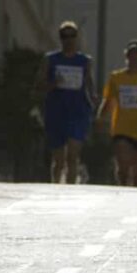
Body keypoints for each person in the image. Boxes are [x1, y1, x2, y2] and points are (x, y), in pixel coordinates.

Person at [38, 21, 96, 184]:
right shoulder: (50, 60)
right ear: (60, 38)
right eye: (65, 36)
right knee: (59, 161)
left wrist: (93, 99)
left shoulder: (85, 61)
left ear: (77, 38)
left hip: (78, 112)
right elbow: (39, 85)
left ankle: (69, 190)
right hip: (56, 112)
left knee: (73, 156)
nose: (68, 39)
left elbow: (89, 84)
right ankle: (56, 187)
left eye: (72, 36)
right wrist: (52, 84)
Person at [96, 39, 137, 187]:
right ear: (127, 57)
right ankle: (122, 192)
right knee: (124, 168)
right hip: (121, 129)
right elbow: (108, 101)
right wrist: (100, 118)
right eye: (131, 55)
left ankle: (135, 203)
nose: (134, 59)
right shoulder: (116, 77)